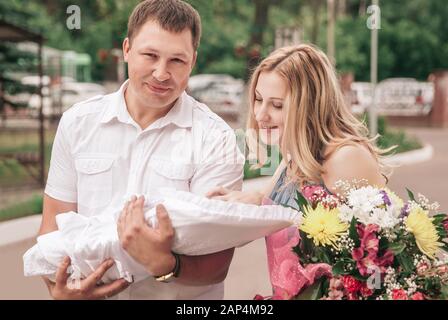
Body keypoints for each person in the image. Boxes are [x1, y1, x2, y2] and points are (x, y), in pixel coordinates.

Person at [39, 0, 243, 300]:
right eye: (150, 55)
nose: (161, 73)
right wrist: (61, 290)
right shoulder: (77, 123)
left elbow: (216, 264)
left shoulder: (217, 139)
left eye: (177, 60)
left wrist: (163, 263)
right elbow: (52, 230)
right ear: (126, 49)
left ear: (193, 61)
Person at [206, 44, 391, 296]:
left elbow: (382, 257)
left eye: (277, 105)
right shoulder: (293, 158)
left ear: (310, 105)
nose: (261, 114)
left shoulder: (346, 158)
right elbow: (268, 202)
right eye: (259, 99)